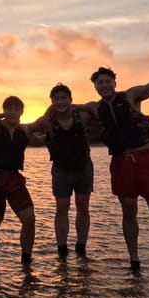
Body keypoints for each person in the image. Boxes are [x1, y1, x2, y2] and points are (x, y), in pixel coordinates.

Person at [81, 46, 149, 278]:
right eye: (99, 83)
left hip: (146, 158)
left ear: (114, 81)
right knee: (128, 211)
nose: (104, 86)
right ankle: (134, 259)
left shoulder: (131, 96)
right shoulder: (94, 107)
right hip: (121, 163)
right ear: (95, 87)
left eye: (107, 81)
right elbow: (63, 107)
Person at [27, 83, 94, 259]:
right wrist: (37, 140)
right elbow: (28, 129)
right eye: (57, 99)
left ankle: (81, 247)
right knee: (61, 208)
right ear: (52, 101)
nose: (61, 101)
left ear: (71, 100)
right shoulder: (46, 121)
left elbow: (97, 110)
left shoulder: (83, 115)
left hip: (83, 167)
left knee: (83, 207)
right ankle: (62, 248)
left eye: (64, 98)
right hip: (61, 169)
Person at [0, 96, 36, 266]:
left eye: (16, 109)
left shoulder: (23, 131)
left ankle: (26, 260)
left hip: (14, 178)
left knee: (29, 219)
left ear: (22, 112)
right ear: (3, 111)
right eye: (8, 108)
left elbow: (39, 140)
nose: (12, 111)